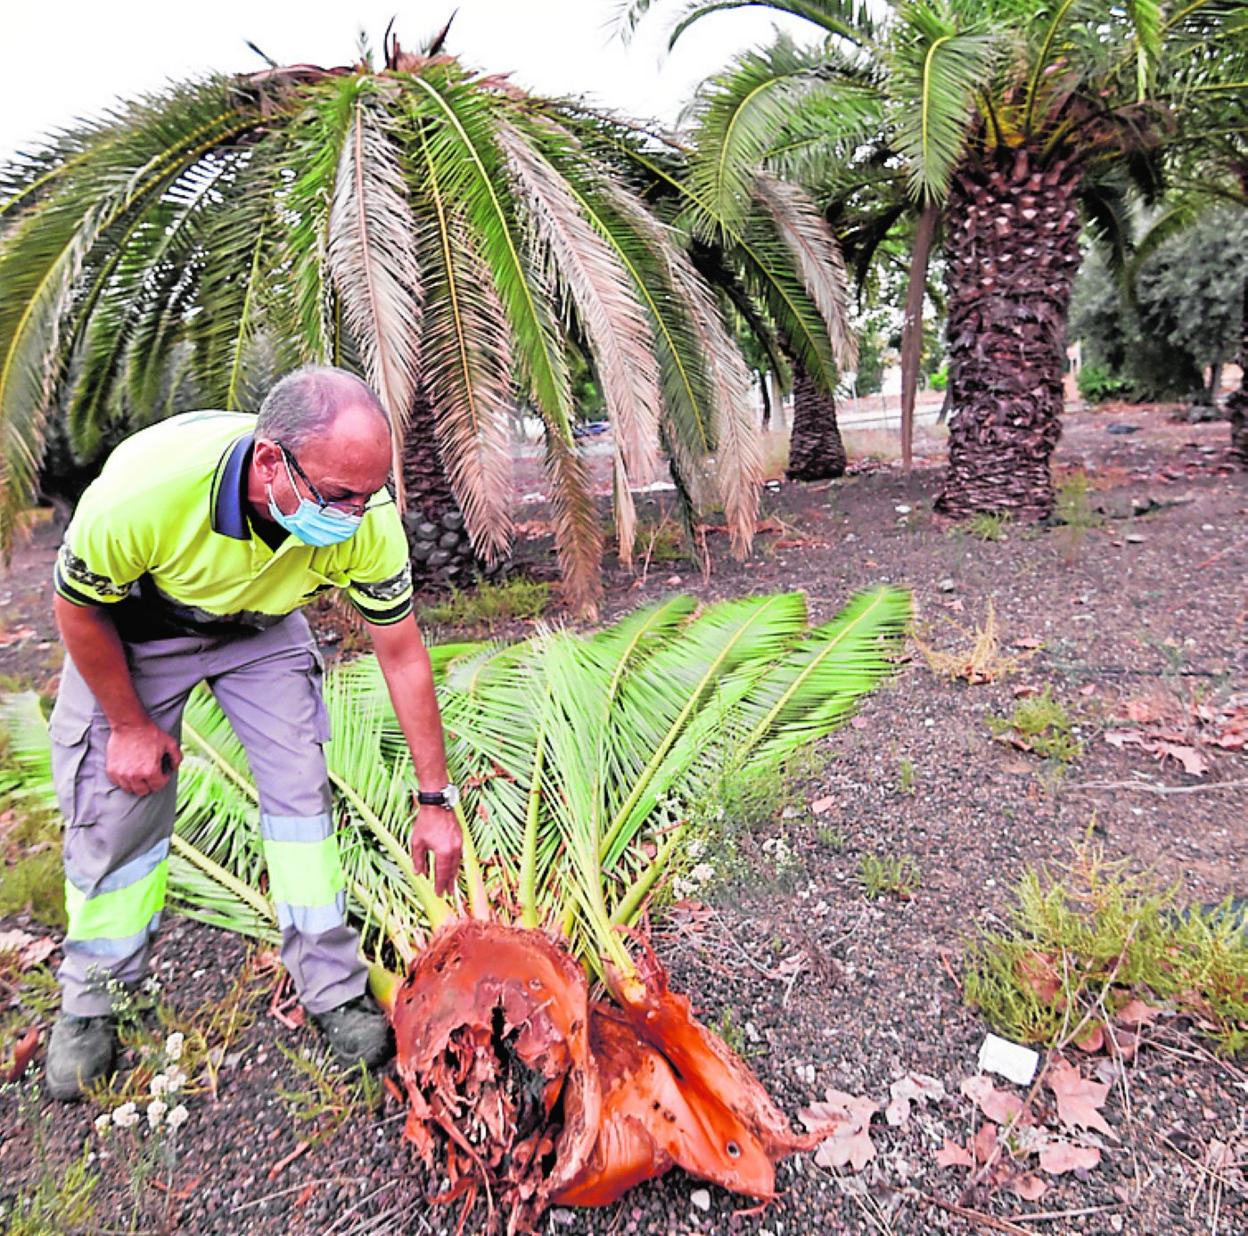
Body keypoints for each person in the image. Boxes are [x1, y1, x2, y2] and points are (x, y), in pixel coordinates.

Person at [44, 366, 463, 1100]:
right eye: (339, 497)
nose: (358, 515)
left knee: (303, 799)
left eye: (369, 496)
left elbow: (401, 652)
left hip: (261, 630)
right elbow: (77, 609)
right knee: (116, 811)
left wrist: (437, 800)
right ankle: (92, 999)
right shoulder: (147, 492)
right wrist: (127, 724)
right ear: (270, 461)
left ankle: (331, 985)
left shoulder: (368, 515)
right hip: (135, 628)